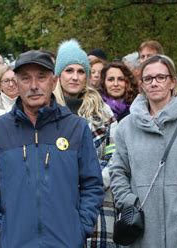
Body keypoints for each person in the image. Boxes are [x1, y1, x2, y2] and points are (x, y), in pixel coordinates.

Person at [0, 50, 104, 247]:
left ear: (54, 81)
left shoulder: (76, 128)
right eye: (26, 78)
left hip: (65, 241)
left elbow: (92, 185)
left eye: (41, 77)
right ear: (16, 83)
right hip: (14, 242)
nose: (34, 86)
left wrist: (79, 228)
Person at [110, 55, 177, 247]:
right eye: (148, 79)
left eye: (161, 77)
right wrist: (130, 201)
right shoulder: (126, 126)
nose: (154, 83)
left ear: (172, 82)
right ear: (142, 85)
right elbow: (117, 170)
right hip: (142, 226)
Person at [53, 39, 118, 247]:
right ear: (58, 75)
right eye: (69, 70)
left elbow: (115, 153)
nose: (74, 77)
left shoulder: (103, 112)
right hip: (56, 201)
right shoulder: (45, 111)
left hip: (97, 202)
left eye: (81, 71)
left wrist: (94, 181)